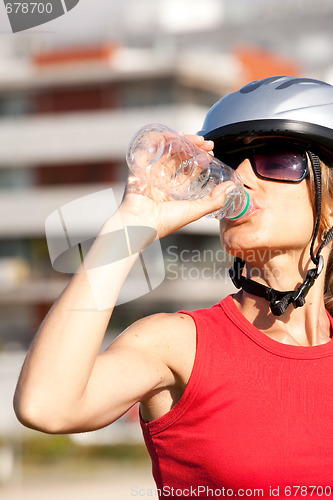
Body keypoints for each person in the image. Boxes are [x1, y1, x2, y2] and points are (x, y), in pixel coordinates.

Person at [13, 76, 333, 499]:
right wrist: (128, 228)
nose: (240, 178)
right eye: (231, 160)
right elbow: (46, 405)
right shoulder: (180, 345)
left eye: (275, 159)